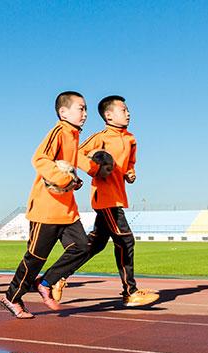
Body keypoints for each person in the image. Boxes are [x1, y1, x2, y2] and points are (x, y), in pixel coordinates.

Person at [1, 92, 100, 318]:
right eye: (80, 108)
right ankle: (12, 297)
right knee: (35, 258)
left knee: (82, 248)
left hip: (67, 210)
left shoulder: (74, 136)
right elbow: (40, 159)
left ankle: (45, 283)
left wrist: (73, 181)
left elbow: (65, 169)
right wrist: (65, 179)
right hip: (46, 210)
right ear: (63, 112)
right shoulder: (59, 131)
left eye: (86, 109)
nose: (85, 113)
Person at [63, 95, 159, 307]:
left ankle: (55, 278)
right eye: (123, 110)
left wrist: (130, 173)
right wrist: (95, 169)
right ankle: (130, 292)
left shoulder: (131, 139)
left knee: (93, 245)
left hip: (119, 196)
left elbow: (130, 163)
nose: (128, 113)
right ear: (108, 115)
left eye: (128, 110)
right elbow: (75, 152)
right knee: (126, 240)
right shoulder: (101, 137)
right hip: (105, 198)